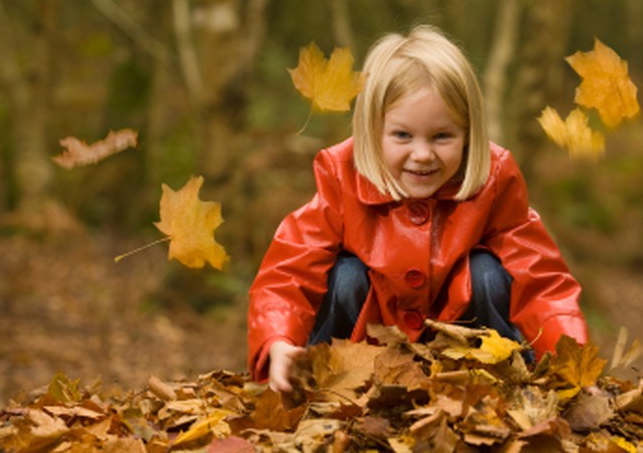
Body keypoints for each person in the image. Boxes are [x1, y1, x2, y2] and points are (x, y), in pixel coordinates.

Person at [247, 25, 589, 393]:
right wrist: (279, 341)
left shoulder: (493, 179)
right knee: (344, 276)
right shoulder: (342, 174)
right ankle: (316, 380)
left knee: (488, 272)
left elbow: (540, 278)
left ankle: (507, 382)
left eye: (442, 136)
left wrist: (572, 365)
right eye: (403, 135)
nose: (423, 154)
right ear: (372, 131)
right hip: (363, 354)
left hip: (462, 359)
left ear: (468, 134)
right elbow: (289, 270)